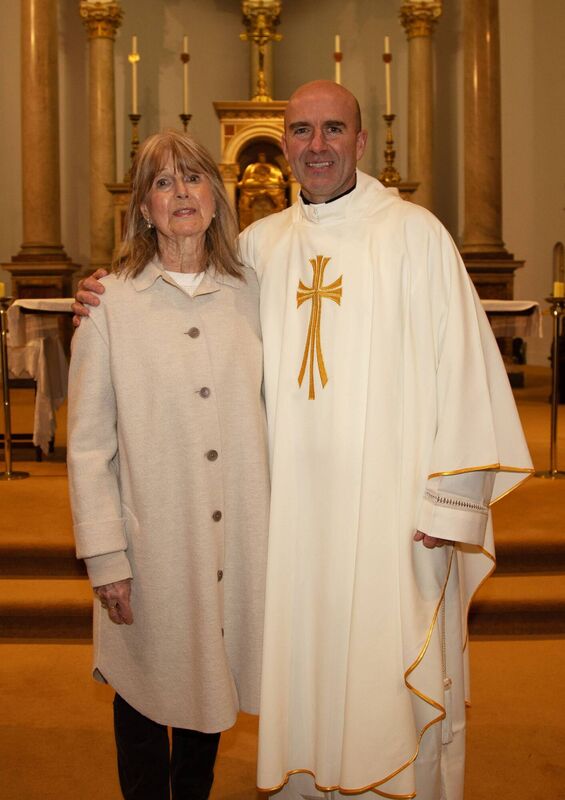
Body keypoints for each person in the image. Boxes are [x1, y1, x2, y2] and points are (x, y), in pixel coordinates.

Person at [74, 82, 533, 800]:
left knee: (380, 679)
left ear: (359, 139)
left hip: (388, 524)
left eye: (331, 130)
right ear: (280, 145)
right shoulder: (260, 248)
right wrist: (102, 295)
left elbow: (466, 374)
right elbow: (169, 315)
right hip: (280, 530)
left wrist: (449, 504)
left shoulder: (415, 235)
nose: (315, 146)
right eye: (300, 131)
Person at [67, 130, 269, 800]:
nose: (180, 192)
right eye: (162, 181)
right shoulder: (110, 305)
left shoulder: (254, 297)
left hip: (232, 537)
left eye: (192, 178)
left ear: (217, 198)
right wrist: (106, 556)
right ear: (144, 209)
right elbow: (90, 445)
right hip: (152, 541)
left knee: (212, 686)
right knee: (145, 692)